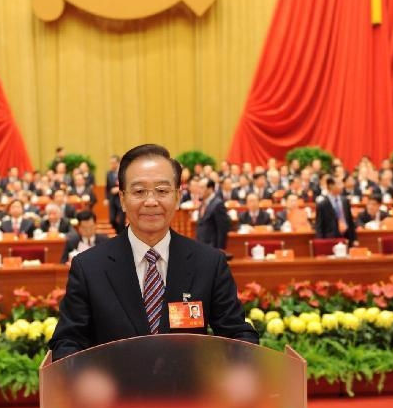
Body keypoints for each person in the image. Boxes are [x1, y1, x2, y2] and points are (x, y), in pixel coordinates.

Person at [49, 144, 257, 359]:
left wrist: (243, 364)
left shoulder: (209, 263)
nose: (151, 201)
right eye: (139, 191)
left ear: (177, 197)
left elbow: (236, 333)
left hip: (188, 390)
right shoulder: (89, 267)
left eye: (162, 191)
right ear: (122, 199)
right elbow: (68, 340)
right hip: (115, 391)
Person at [315, 176, 356, 243]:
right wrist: (320, 242)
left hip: (347, 236)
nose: (342, 186)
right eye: (339, 184)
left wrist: (354, 239)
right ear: (331, 186)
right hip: (330, 239)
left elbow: (350, 221)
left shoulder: (345, 201)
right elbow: (319, 226)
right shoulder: (322, 204)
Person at [196, 179, 231, 249]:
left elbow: (222, 230)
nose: (198, 190)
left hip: (212, 248)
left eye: (202, 188)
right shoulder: (202, 204)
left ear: (210, 189)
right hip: (202, 246)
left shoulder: (218, 204)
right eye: (198, 187)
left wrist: (219, 250)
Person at [105, 155, 125, 233]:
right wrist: (106, 198)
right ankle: (120, 233)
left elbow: (128, 184)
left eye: (113, 163)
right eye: (111, 163)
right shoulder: (108, 173)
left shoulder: (123, 172)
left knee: (121, 221)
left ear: (118, 163)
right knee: (112, 220)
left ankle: (121, 236)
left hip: (121, 199)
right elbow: (107, 187)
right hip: (112, 199)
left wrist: (119, 189)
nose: (112, 165)